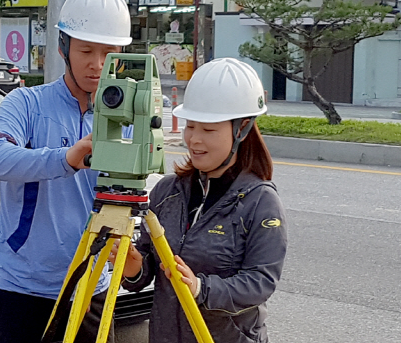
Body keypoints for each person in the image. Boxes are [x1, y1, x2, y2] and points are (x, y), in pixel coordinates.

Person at [0, 0, 132, 343]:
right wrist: (66, 158)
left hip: (93, 286)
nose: (97, 64)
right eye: (86, 50)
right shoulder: (26, 103)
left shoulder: (128, 116)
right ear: (64, 47)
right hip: (24, 288)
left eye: (109, 52)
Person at [110, 57, 288, 343]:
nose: (194, 139)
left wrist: (200, 288)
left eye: (208, 130)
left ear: (241, 129)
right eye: (190, 126)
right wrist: (134, 267)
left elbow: (261, 281)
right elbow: (147, 266)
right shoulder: (167, 191)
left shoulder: (260, 201)